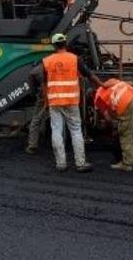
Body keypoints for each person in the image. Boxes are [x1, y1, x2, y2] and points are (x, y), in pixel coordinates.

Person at [35, 33, 102, 172]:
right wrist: (102, 85)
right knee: (76, 131)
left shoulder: (47, 61)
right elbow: (89, 74)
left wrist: (46, 99)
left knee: (57, 130)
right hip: (71, 101)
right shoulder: (74, 59)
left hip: (55, 101)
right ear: (65, 43)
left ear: (54, 45)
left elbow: (42, 81)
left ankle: (61, 163)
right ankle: (80, 163)